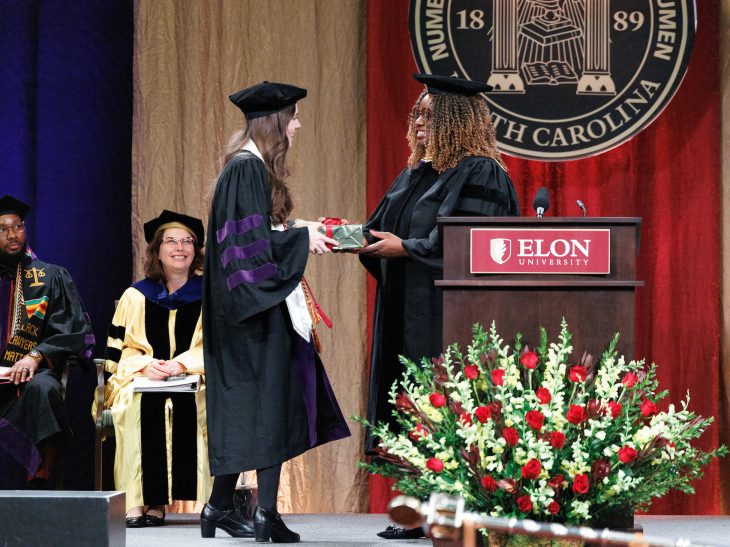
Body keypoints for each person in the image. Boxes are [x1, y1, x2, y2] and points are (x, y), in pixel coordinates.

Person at [359, 74, 520, 539]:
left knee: (443, 402)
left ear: (456, 121)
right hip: (405, 306)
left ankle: (447, 513)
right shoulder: (417, 172)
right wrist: (346, 239)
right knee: (408, 400)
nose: (419, 122)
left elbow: (471, 243)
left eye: (430, 115)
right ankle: (417, 509)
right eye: (417, 114)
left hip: (448, 315)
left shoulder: (481, 172)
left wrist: (407, 249)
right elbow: (380, 228)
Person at [202, 81, 350, 542]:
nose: (299, 124)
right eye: (294, 116)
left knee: (259, 404)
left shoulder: (245, 169)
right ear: (275, 123)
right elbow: (251, 249)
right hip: (254, 311)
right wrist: (301, 239)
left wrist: (303, 229)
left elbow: (259, 234)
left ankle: (218, 507)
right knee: (268, 404)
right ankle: (266, 513)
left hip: (248, 309)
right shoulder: (247, 171)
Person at [101, 210, 212, 527]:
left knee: (199, 405)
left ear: (196, 249)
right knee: (136, 407)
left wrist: (183, 363)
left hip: (196, 380)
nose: (180, 247)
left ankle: (210, 503)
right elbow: (118, 351)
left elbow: (220, 347)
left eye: (187, 241)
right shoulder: (135, 296)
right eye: (171, 241)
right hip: (141, 381)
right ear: (157, 251)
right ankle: (139, 502)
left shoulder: (210, 295)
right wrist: (144, 365)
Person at [0, 194, 92, 489]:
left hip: (31, 376)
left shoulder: (49, 277)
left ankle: (39, 483)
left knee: (45, 388)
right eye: (3, 229)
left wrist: (35, 356)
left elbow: (72, 331)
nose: (13, 234)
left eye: (18, 227)